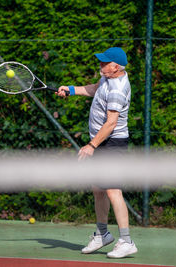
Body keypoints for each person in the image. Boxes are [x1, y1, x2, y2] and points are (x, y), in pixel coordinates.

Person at [56, 47, 137, 259]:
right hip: (102, 142)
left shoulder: (118, 89)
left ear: (116, 66)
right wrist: (71, 90)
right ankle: (102, 234)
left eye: (104, 63)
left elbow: (111, 124)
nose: (101, 65)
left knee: (112, 189)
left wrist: (91, 146)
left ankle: (127, 241)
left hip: (113, 143)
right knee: (98, 188)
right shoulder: (107, 79)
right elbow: (94, 89)